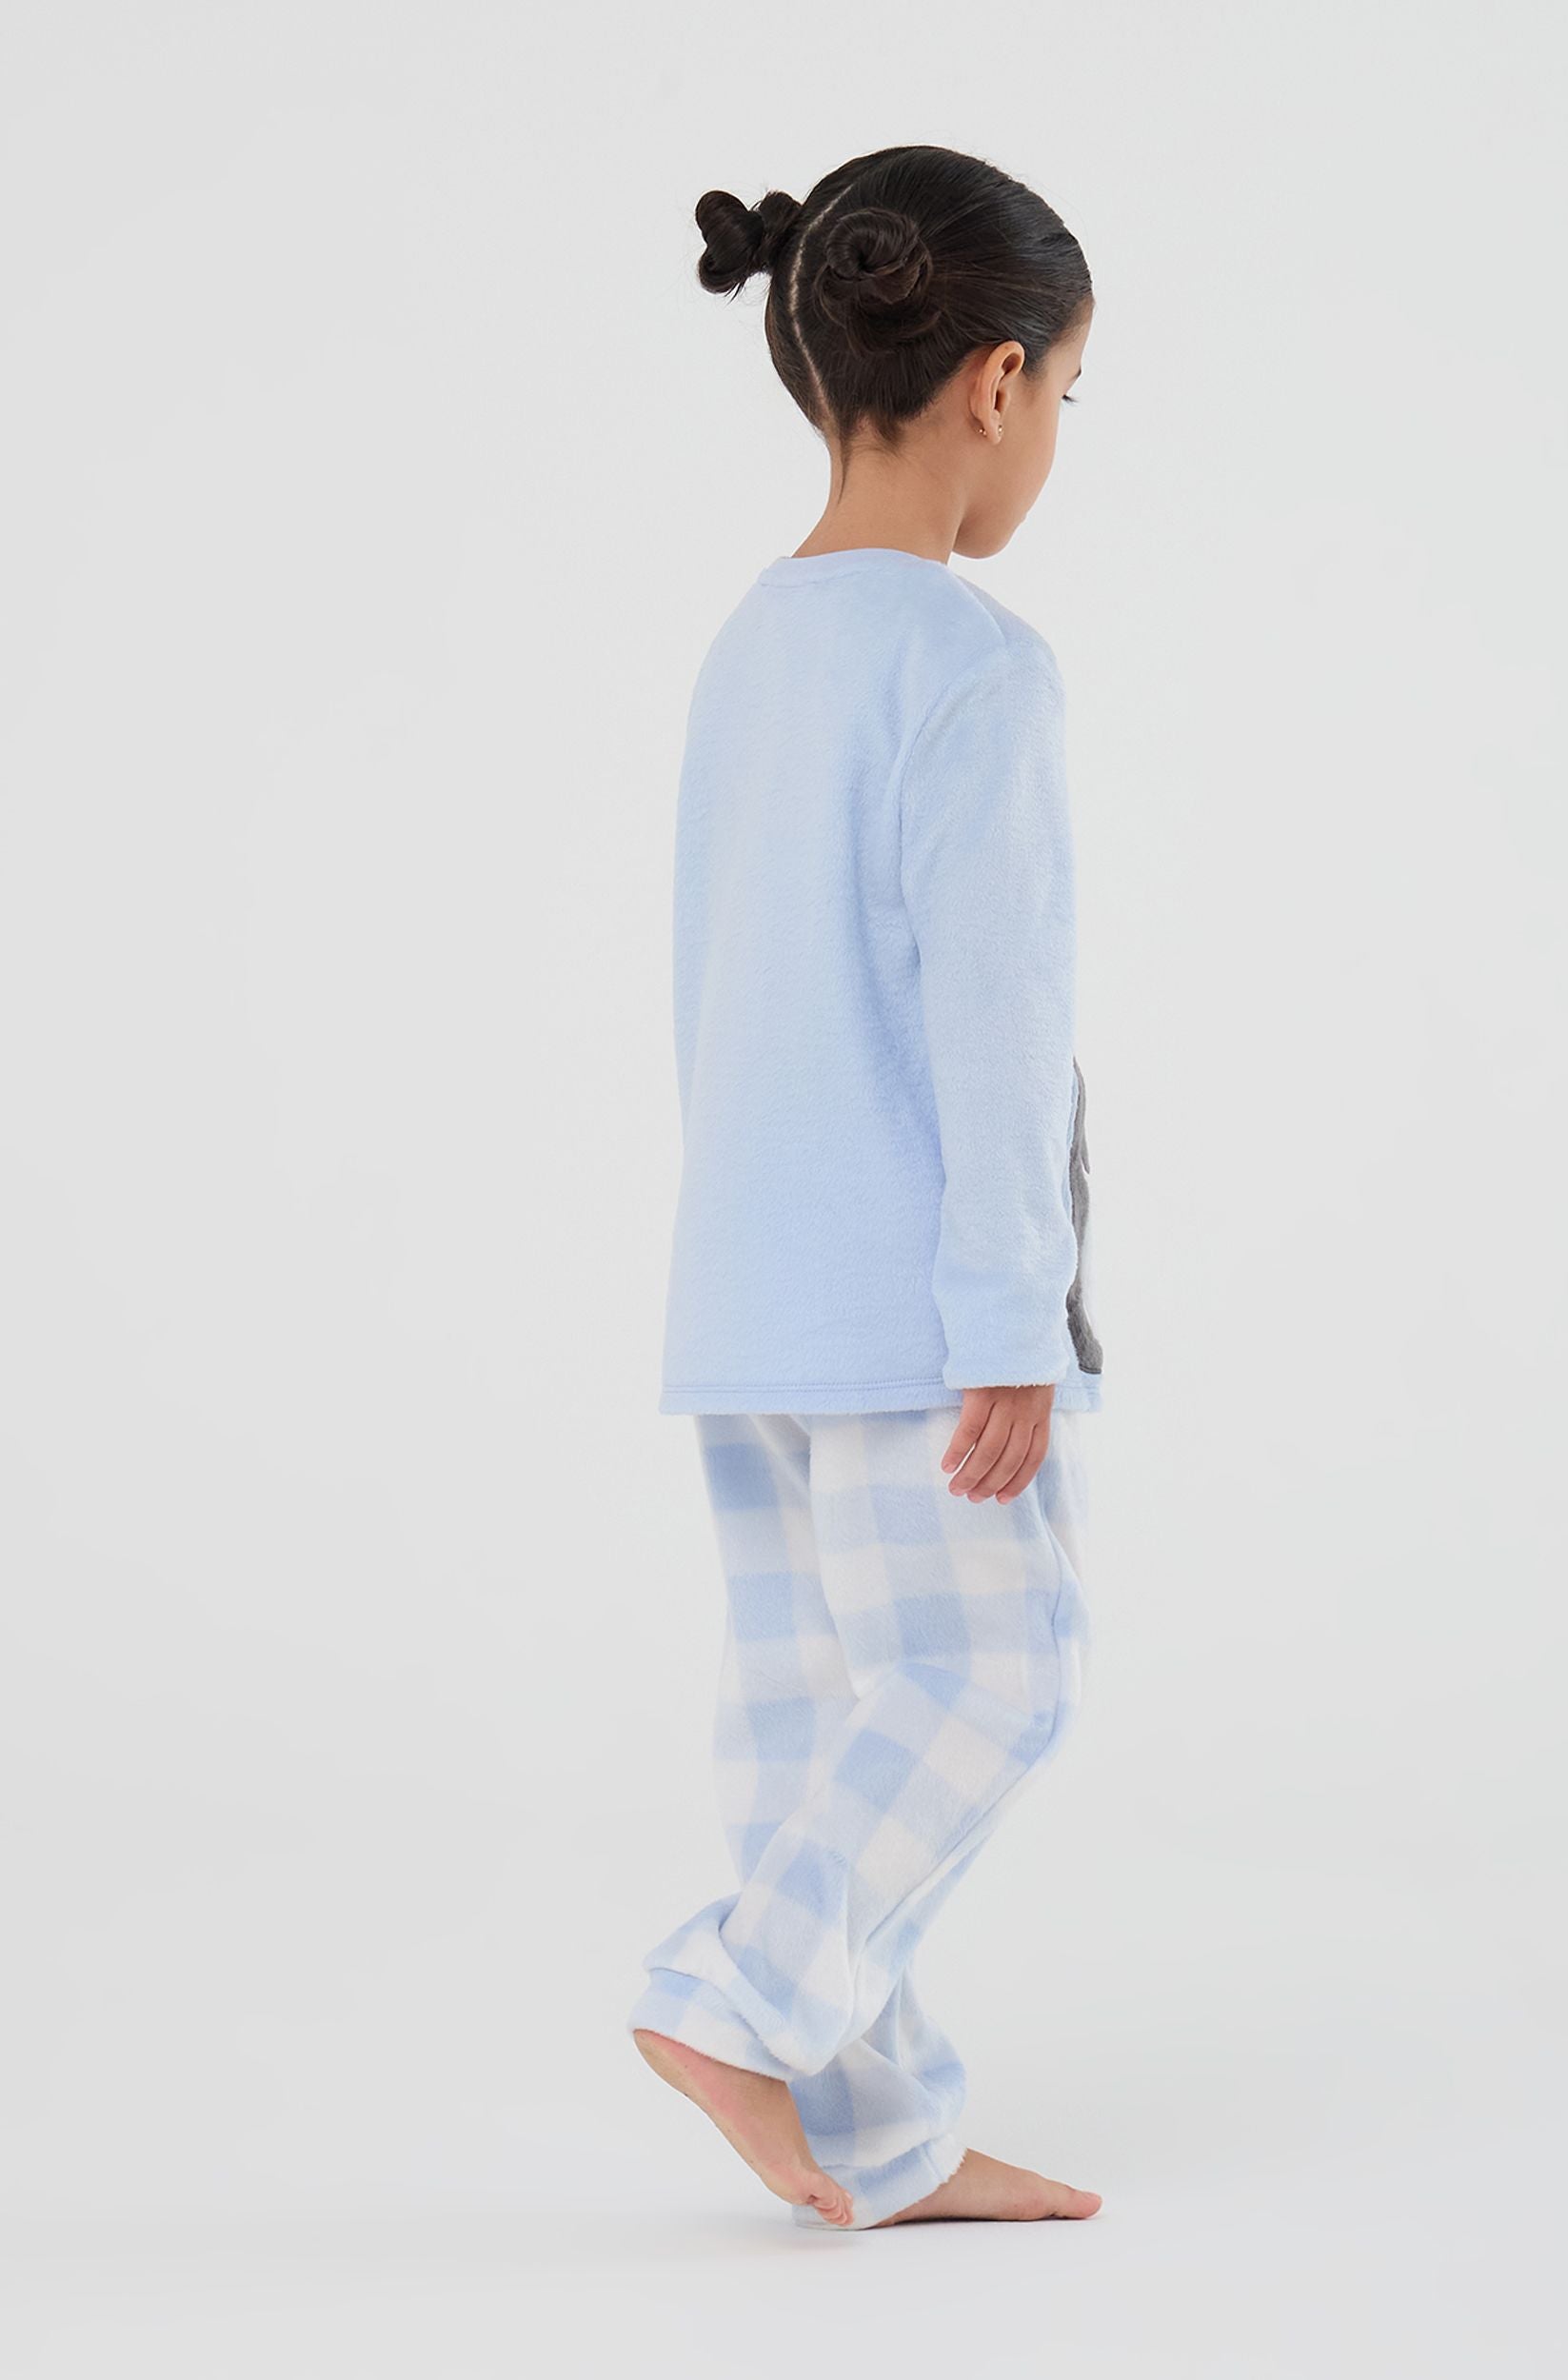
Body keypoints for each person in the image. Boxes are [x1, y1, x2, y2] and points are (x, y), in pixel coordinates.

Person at [628, 143, 1104, 2231]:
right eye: (1070, 391)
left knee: (809, 1723)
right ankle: (736, 1997)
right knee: (998, 1673)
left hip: (745, 1288)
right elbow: (992, 1017)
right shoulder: (970, 665)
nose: (1056, 432)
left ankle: (871, 2135)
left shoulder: (751, 645)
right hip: (914, 1302)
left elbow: (722, 979)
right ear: (995, 381)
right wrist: (1013, 1318)